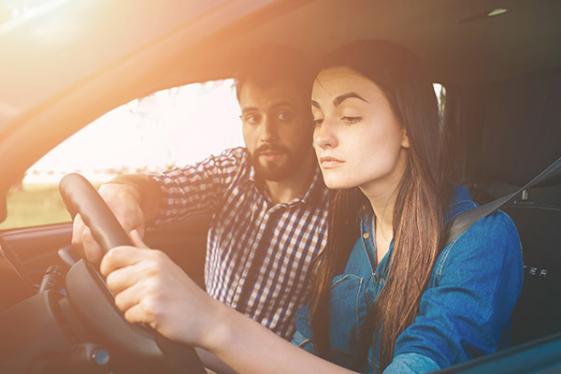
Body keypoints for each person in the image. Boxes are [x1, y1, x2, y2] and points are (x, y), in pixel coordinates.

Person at [95, 40, 523, 373]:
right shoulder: (350, 230)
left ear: (408, 128)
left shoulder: (480, 239)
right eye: (318, 117)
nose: (323, 137)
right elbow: (307, 351)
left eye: (349, 117)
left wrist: (213, 323)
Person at [72, 45, 329, 341]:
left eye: (283, 115)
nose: (266, 134)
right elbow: (168, 186)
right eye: (253, 117)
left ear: (312, 118)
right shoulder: (232, 169)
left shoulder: (338, 208)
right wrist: (125, 191)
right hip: (196, 350)